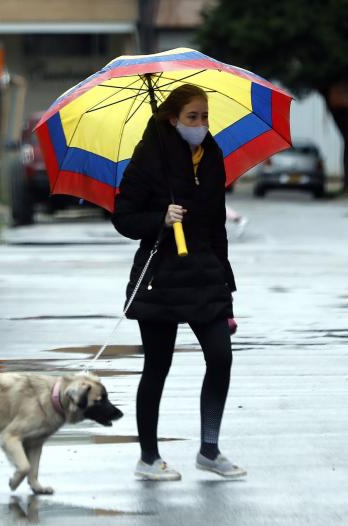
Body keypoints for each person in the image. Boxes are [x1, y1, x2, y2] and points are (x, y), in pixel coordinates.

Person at [111, 84, 246, 481]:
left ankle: (209, 449)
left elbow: (218, 224)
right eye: (192, 117)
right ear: (173, 118)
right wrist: (160, 218)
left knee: (221, 357)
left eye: (205, 116)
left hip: (205, 273)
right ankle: (148, 458)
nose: (201, 124)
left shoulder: (212, 155)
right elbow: (124, 218)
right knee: (158, 365)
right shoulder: (149, 156)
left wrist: (228, 288)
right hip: (161, 276)